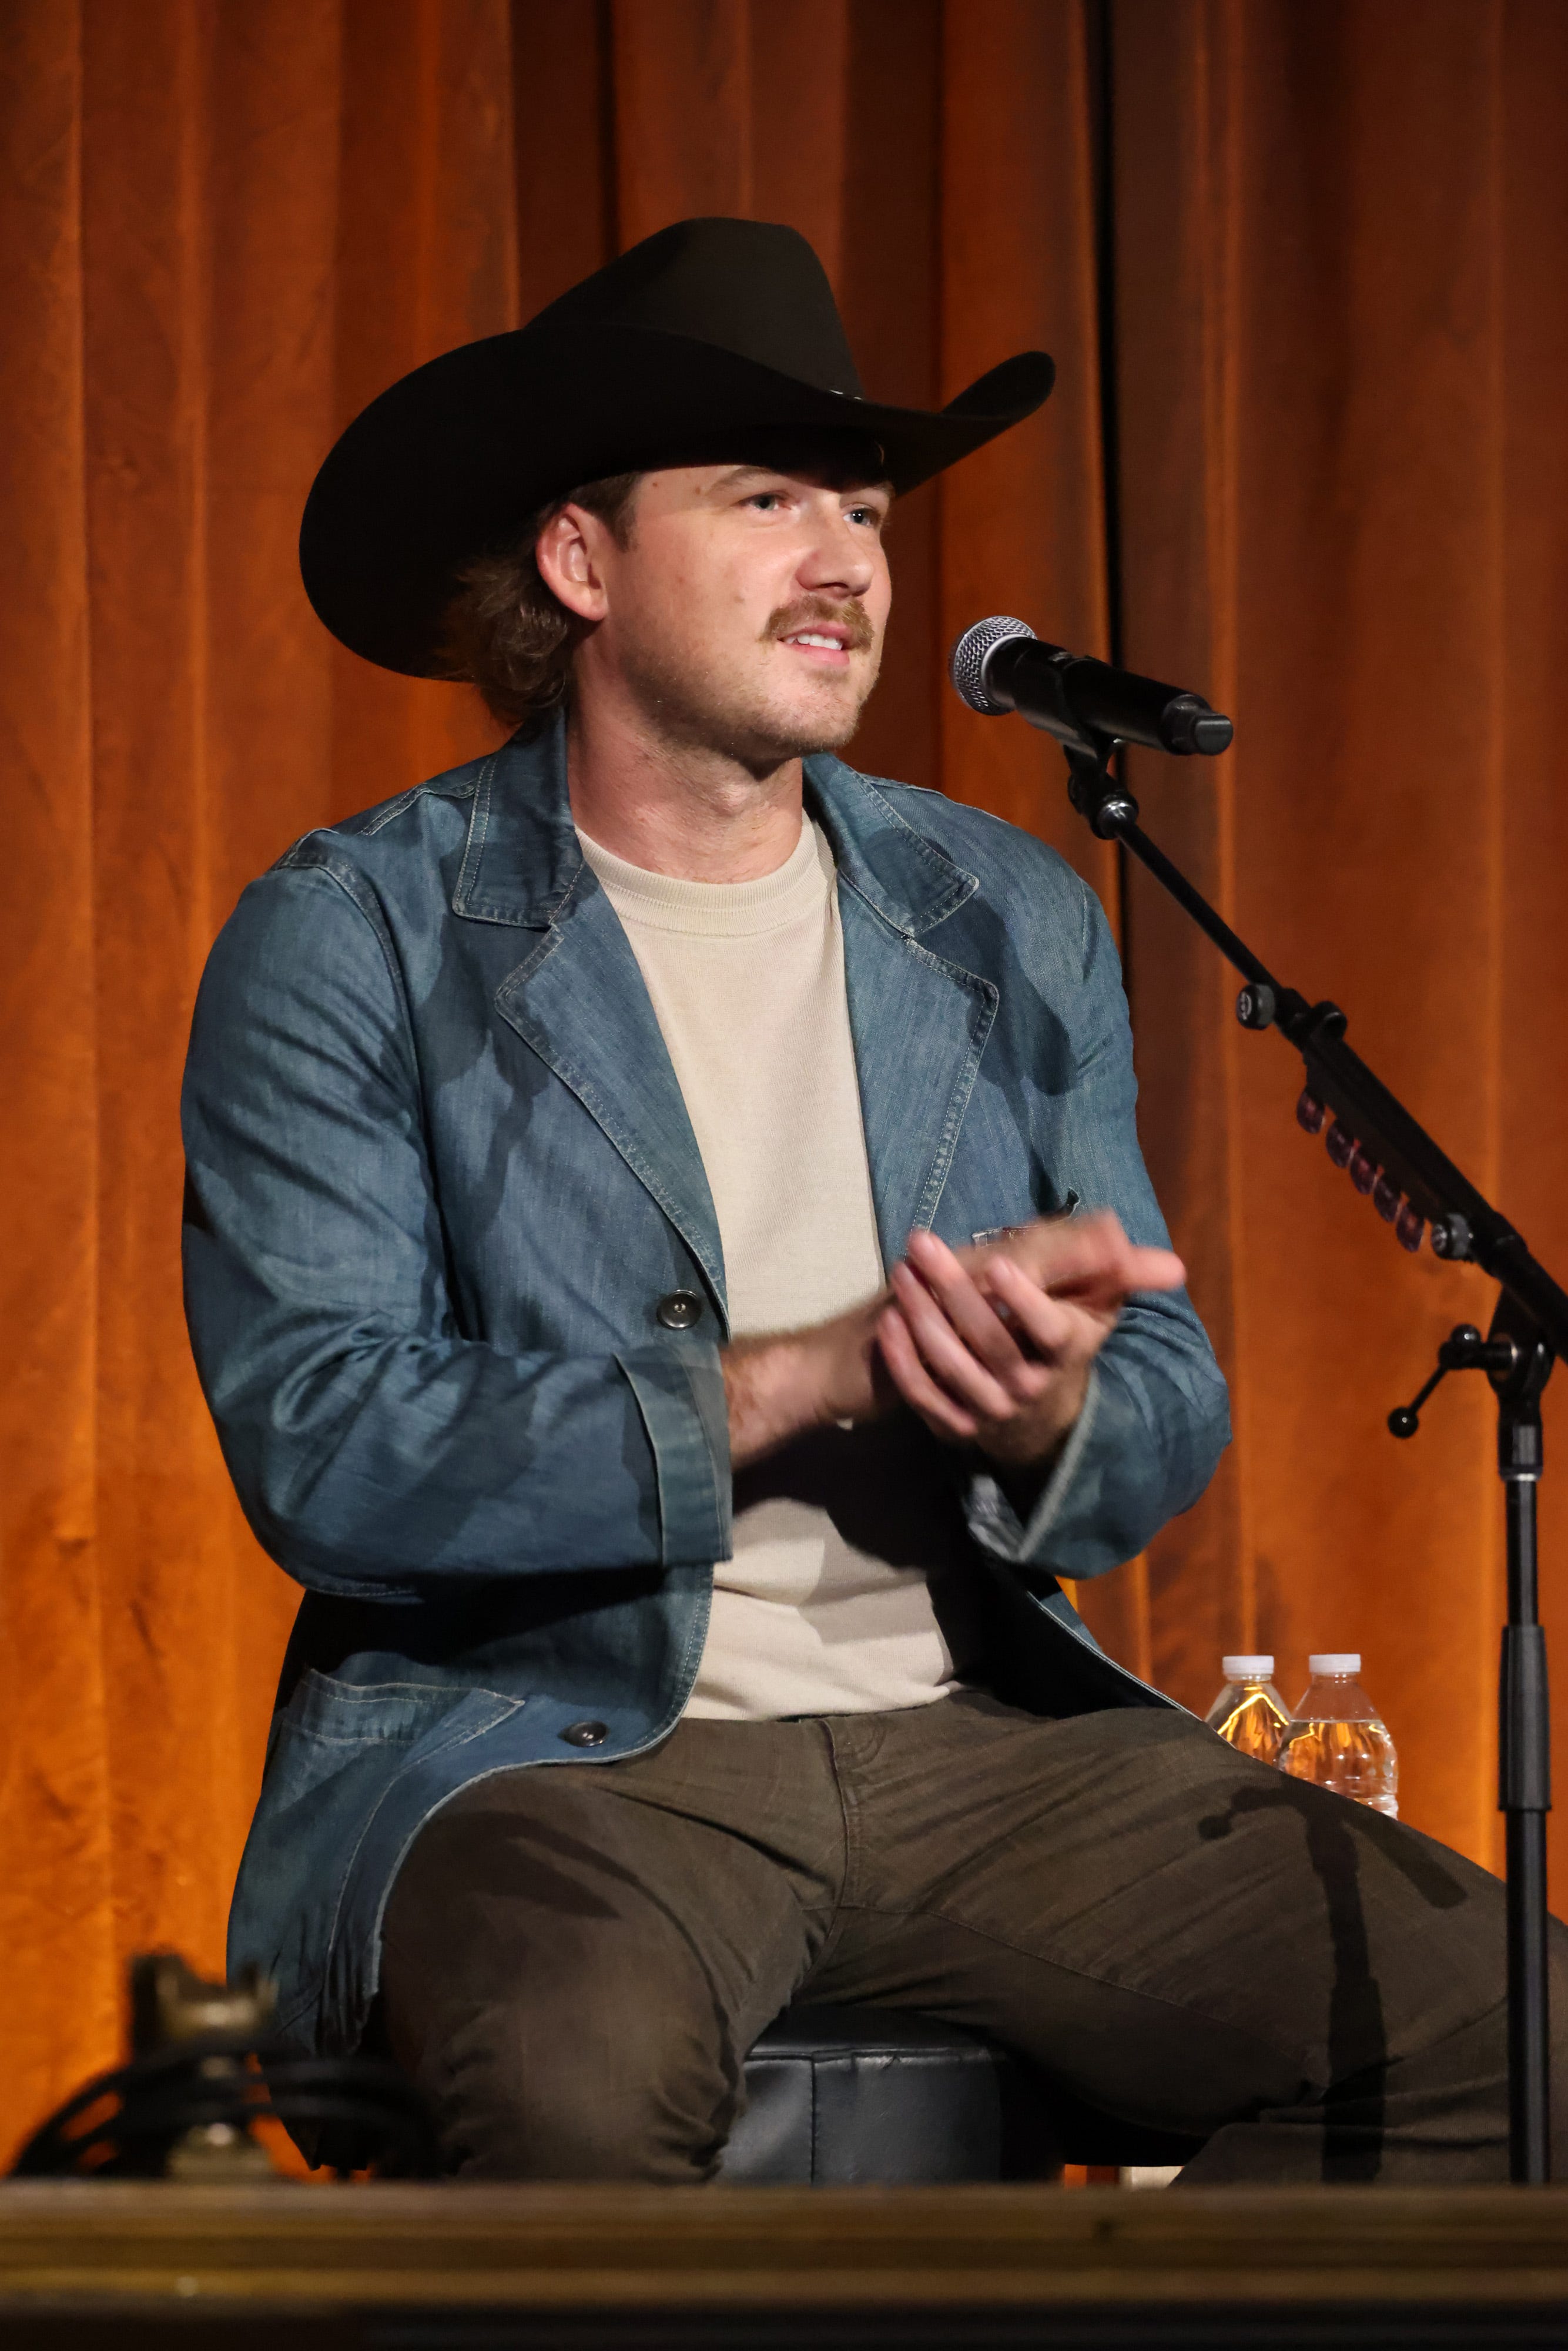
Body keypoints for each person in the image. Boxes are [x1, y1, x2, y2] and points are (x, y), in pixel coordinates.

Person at [183, 217, 1560, 2183]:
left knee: (1528, 2049)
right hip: (553, 1755)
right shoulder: (359, 937)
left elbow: (1163, 1398)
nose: (848, 564)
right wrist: (791, 1380)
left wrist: (1051, 1410)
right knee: (571, 2101)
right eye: (768, 501)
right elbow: (325, 1445)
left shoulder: (997, 918)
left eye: (865, 511)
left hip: (974, 1739)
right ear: (581, 561)